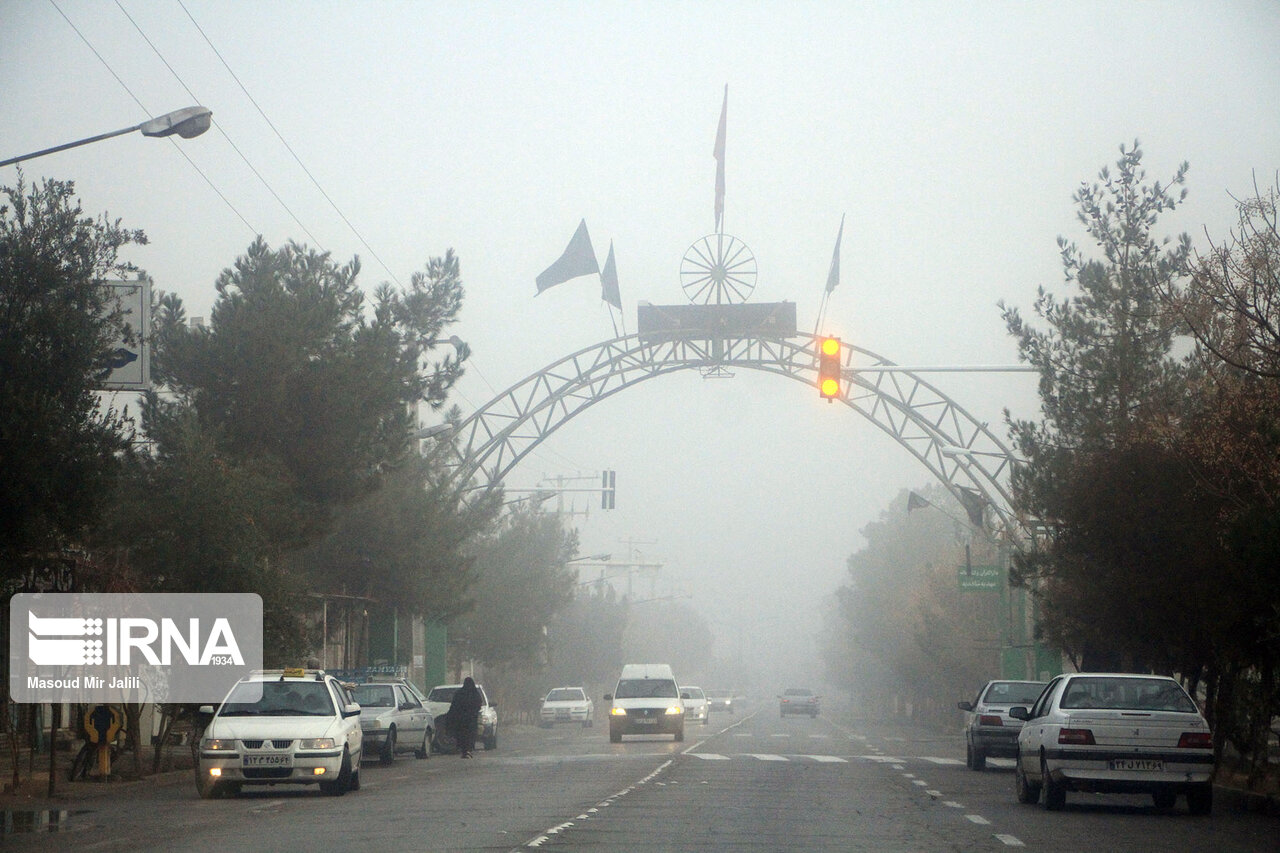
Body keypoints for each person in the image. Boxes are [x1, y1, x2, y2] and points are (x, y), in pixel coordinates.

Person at [446, 677, 483, 758]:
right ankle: (468, 750)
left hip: (461, 720)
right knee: (470, 735)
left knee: (462, 735)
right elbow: (478, 705)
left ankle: (464, 751)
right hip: (471, 720)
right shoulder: (475, 693)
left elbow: (454, 706)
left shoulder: (459, 693)